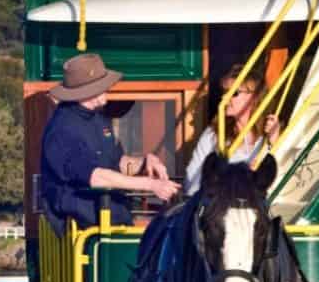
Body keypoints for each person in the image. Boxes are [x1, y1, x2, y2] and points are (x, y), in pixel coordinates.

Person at [39, 53, 180, 232]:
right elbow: (96, 177)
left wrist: (145, 161)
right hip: (83, 229)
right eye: (101, 88)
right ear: (85, 92)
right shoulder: (61, 129)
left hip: (115, 218)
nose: (107, 92)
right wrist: (151, 185)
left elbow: (116, 161)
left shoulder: (99, 118)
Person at [184, 64, 281, 195]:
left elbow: (279, 182)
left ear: (254, 98)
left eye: (234, 93)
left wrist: (273, 142)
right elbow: (191, 181)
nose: (224, 97)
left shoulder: (270, 133)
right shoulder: (214, 135)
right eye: (224, 92)